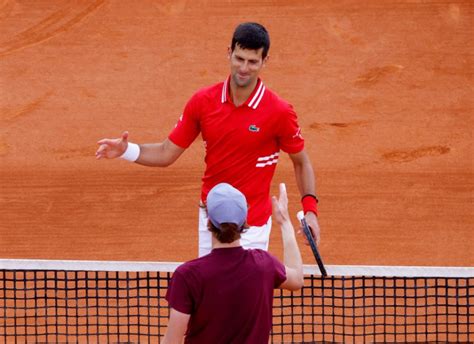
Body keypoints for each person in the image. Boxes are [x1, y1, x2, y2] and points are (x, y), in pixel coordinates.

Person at [96, 22, 320, 256]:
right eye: (239, 58)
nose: (244, 68)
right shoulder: (203, 102)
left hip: (253, 224)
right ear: (229, 53)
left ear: (265, 62)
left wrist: (310, 211)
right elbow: (166, 152)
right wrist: (125, 150)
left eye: (253, 62)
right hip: (211, 221)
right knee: (210, 291)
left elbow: (301, 162)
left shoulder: (279, 112)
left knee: (244, 292)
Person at [162, 182, 304, 343]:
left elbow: (172, 341)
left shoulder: (187, 276)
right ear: (244, 222)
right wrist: (284, 222)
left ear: (208, 221)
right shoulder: (264, 265)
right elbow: (297, 279)